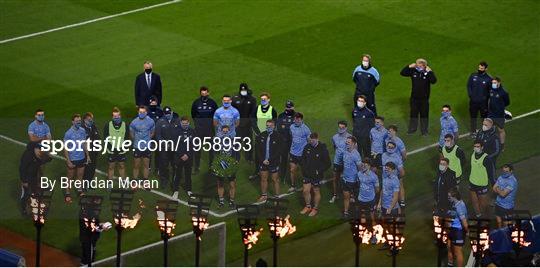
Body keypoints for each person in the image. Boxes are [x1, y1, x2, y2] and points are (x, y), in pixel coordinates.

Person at [400, 58, 437, 135]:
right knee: (413, 114)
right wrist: (409, 66)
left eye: (421, 64)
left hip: (424, 99)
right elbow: (402, 73)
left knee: (424, 115)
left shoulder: (427, 74)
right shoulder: (414, 72)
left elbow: (434, 81)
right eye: (417, 64)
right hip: (414, 99)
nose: (418, 66)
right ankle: (412, 129)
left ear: (424, 65)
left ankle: (424, 131)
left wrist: (430, 71)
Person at [299, 132, 331, 217]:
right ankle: (308, 206)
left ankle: (315, 208)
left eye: (313, 139)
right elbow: (303, 159)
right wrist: (304, 169)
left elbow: (328, 163)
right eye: (310, 139)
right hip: (307, 174)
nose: (311, 141)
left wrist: (319, 170)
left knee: (316, 190)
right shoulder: (307, 147)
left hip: (317, 175)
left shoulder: (323, 149)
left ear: (317, 139)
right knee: (305, 190)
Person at [251, 92, 278, 179]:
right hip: (259, 135)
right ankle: (257, 171)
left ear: (268, 100)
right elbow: (253, 121)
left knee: (269, 153)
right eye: (262, 99)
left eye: (264, 99)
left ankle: (271, 170)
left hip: (269, 136)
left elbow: (275, 123)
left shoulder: (272, 110)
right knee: (258, 153)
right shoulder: (257, 109)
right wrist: (258, 133)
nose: (263, 100)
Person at [19, 142, 51, 215]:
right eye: (40, 149)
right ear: (36, 149)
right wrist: (24, 181)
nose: (41, 151)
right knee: (25, 194)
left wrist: (48, 158)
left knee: (35, 191)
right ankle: (24, 209)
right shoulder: (28, 156)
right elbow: (22, 169)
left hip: (34, 176)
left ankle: (35, 204)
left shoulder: (39, 154)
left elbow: (43, 160)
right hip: (26, 177)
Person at [211, 125, 239, 208]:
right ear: (221, 132)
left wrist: (236, 161)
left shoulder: (234, 141)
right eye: (224, 131)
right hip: (220, 164)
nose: (225, 133)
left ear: (229, 132)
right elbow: (214, 153)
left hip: (231, 165)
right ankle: (221, 201)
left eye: (227, 131)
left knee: (232, 184)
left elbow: (237, 153)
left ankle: (231, 201)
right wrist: (216, 163)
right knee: (220, 184)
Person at [191, 86, 218, 173]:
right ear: (200, 94)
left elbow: (216, 115)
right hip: (199, 130)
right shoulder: (196, 103)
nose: (204, 95)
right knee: (197, 149)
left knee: (211, 149)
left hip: (210, 130)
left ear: (208, 93)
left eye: (205, 93)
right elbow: (193, 114)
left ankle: (211, 166)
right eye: (202, 94)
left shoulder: (212, 103)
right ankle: (196, 167)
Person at [64, 114, 90, 202]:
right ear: (72, 122)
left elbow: (84, 143)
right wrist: (68, 161)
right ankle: (67, 193)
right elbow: (66, 148)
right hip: (72, 159)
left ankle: (79, 191)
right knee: (70, 177)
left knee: (80, 176)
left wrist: (88, 156)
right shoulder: (68, 133)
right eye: (76, 121)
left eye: (79, 121)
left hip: (82, 157)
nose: (78, 122)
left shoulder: (82, 130)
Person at [256, 120, 283, 202]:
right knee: (263, 179)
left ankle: (277, 197)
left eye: (270, 126)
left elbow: (279, 151)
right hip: (263, 162)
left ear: (274, 126)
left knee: (275, 180)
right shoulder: (261, 135)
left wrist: (269, 160)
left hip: (273, 162)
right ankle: (264, 195)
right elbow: (258, 150)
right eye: (267, 125)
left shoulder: (278, 136)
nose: (268, 127)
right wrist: (263, 160)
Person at [130, 106, 155, 188]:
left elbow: (152, 132)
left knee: (146, 165)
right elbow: (131, 134)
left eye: (143, 112)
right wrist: (138, 141)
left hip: (147, 146)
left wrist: (146, 140)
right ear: (138, 112)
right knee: (136, 165)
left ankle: (145, 181)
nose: (141, 113)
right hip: (137, 147)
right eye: (140, 112)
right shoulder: (134, 122)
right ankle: (135, 182)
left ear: (146, 112)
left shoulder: (151, 121)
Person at [155, 107, 180, 190]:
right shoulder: (160, 122)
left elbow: (179, 134)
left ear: (172, 112)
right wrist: (165, 143)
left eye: (169, 113)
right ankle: (164, 180)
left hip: (174, 147)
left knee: (174, 164)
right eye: (166, 114)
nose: (168, 115)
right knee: (164, 164)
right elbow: (158, 136)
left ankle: (174, 181)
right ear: (164, 114)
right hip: (164, 148)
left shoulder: (177, 121)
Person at [232, 83, 257, 162]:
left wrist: (249, 122)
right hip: (238, 125)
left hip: (247, 125)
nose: (243, 91)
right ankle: (235, 158)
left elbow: (253, 112)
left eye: (244, 90)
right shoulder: (235, 99)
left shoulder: (252, 99)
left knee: (248, 143)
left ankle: (249, 158)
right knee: (236, 142)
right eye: (242, 90)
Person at [103, 107, 130, 181]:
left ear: (120, 116)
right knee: (111, 166)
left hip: (121, 150)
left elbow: (127, 138)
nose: (116, 118)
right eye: (115, 116)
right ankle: (110, 182)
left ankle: (124, 181)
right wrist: (111, 148)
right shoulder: (107, 125)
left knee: (122, 165)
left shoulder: (125, 125)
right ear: (112, 117)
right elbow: (105, 138)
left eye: (118, 116)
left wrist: (123, 148)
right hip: (111, 150)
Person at [173, 116, 195, 199]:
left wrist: (188, 155)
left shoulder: (192, 131)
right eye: (183, 123)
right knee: (177, 174)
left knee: (188, 174)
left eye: (186, 123)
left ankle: (189, 190)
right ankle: (175, 191)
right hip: (179, 157)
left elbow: (194, 144)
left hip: (189, 157)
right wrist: (182, 155)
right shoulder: (176, 131)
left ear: (189, 123)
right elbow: (175, 145)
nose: (185, 125)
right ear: (181, 123)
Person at [330, 120, 352, 203]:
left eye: (342, 128)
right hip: (337, 161)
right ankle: (335, 195)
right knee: (335, 179)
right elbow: (335, 147)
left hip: (347, 162)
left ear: (346, 128)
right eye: (339, 127)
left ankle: (351, 195)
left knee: (348, 179)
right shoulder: (334, 137)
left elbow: (353, 149)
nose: (341, 129)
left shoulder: (350, 138)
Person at [467, 61, 491, 135]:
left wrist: (484, 98)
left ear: (486, 69)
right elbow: (468, 86)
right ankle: (473, 132)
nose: (480, 69)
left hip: (483, 103)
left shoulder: (489, 79)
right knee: (473, 117)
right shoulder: (473, 75)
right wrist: (471, 95)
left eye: (482, 68)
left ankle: (485, 132)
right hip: (473, 102)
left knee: (484, 118)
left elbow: (491, 91)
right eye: (479, 67)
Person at [288, 112, 311, 193]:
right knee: (292, 170)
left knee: (304, 171)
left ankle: (307, 184)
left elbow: (309, 141)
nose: (296, 121)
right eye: (295, 119)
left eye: (298, 119)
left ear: (301, 119)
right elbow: (292, 137)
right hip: (293, 153)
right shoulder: (291, 127)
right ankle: (293, 186)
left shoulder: (306, 129)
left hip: (302, 155)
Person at [447, 188, 469, 267]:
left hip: (458, 231)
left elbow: (464, 222)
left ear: (454, 197)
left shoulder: (460, 207)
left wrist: (467, 231)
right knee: (449, 247)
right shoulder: (454, 203)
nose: (448, 198)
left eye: (449, 197)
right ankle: (450, 264)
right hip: (452, 229)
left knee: (458, 252)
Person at [475, 118, 501, 185]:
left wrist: (488, 157)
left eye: (486, 125)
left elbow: (497, 151)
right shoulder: (480, 132)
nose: (484, 126)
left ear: (491, 126)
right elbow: (476, 142)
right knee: (480, 174)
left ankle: (496, 191)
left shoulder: (494, 137)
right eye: (483, 124)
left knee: (492, 177)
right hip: (479, 158)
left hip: (490, 160)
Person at [341, 136, 362, 218]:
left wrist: (358, 178)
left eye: (348, 142)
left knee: (357, 199)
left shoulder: (356, 155)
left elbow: (359, 168)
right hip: (345, 180)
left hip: (353, 181)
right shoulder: (345, 152)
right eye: (346, 142)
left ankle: (358, 213)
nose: (346, 144)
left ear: (353, 143)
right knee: (346, 197)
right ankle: (346, 212)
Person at [469, 141, 491, 218]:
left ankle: (484, 217)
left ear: (482, 147)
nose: (476, 148)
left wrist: (493, 182)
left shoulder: (486, 158)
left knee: (483, 204)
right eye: (475, 146)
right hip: (472, 182)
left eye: (478, 146)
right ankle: (478, 216)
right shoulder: (473, 155)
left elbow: (491, 172)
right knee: (474, 201)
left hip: (482, 184)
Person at [357, 158, 379, 231]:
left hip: (370, 200)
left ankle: (374, 235)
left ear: (369, 166)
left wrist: (370, 194)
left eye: (365, 165)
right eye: (362, 165)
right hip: (361, 200)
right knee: (362, 215)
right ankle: (364, 233)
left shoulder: (374, 177)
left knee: (372, 217)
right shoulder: (359, 173)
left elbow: (377, 189)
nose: (363, 166)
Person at [493, 164, 518, 228]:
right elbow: (493, 188)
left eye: (506, 171)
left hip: (507, 207)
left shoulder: (512, 181)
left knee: (507, 225)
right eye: (503, 171)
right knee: (499, 222)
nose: (505, 173)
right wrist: (500, 191)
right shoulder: (501, 177)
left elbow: (503, 194)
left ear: (511, 171)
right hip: (498, 204)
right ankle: (500, 233)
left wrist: (498, 189)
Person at [488, 77, 510, 148]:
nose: (493, 84)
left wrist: (500, 108)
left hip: (499, 114)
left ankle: (502, 145)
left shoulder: (503, 93)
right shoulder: (491, 90)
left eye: (495, 83)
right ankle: (489, 144)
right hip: (491, 113)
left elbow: (507, 102)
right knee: (487, 128)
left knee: (500, 130)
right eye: (492, 83)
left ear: (499, 83)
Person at [381, 141, 406, 207]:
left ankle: (402, 202)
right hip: (385, 178)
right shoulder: (383, 155)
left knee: (398, 189)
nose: (389, 148)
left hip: (394, 178)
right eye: (388, 147)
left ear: (394, 149)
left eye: (392, 147)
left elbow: (402, 172)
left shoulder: (397, 158)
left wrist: (396, 178)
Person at [276, 100, 295, 180]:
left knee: (293, 159)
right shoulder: (281, 116)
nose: (288, 109)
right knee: (283, 158)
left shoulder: (296, 116)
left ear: (293, 107)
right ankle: (282, 176)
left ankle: (293, 177)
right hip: (284, 141)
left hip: (293, 142)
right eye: (287, 107)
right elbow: (279, 129)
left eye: (290, 107)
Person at [82, 112, 99, 186]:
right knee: (86, 169)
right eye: (89, 120)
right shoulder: (82, 129)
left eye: (91, 119)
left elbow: (97, 138)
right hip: (86, 152)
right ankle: (84, 184)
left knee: (92, 168)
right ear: (85, 120)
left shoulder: (94, 127)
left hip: (94, 151)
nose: (91, 121)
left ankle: (89, 183)